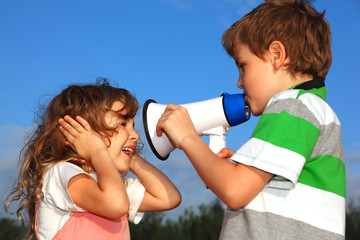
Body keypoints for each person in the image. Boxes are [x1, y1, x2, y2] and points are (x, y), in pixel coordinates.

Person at [155, 0, 345, 239]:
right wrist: (245, 163)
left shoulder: (291, 106)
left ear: (277, 55)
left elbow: (235, 190)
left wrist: (187, 138)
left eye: (242, 66)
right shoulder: (314, 109)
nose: (239, 82)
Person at [5, 78, 181, 240]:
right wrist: (98, 152)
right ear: (84, 132)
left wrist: (131, 157)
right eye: (122, 124)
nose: (135, 135)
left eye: (133, 126)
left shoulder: (112, 187)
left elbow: (168, 198)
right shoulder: (62, 174)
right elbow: (116, 204)